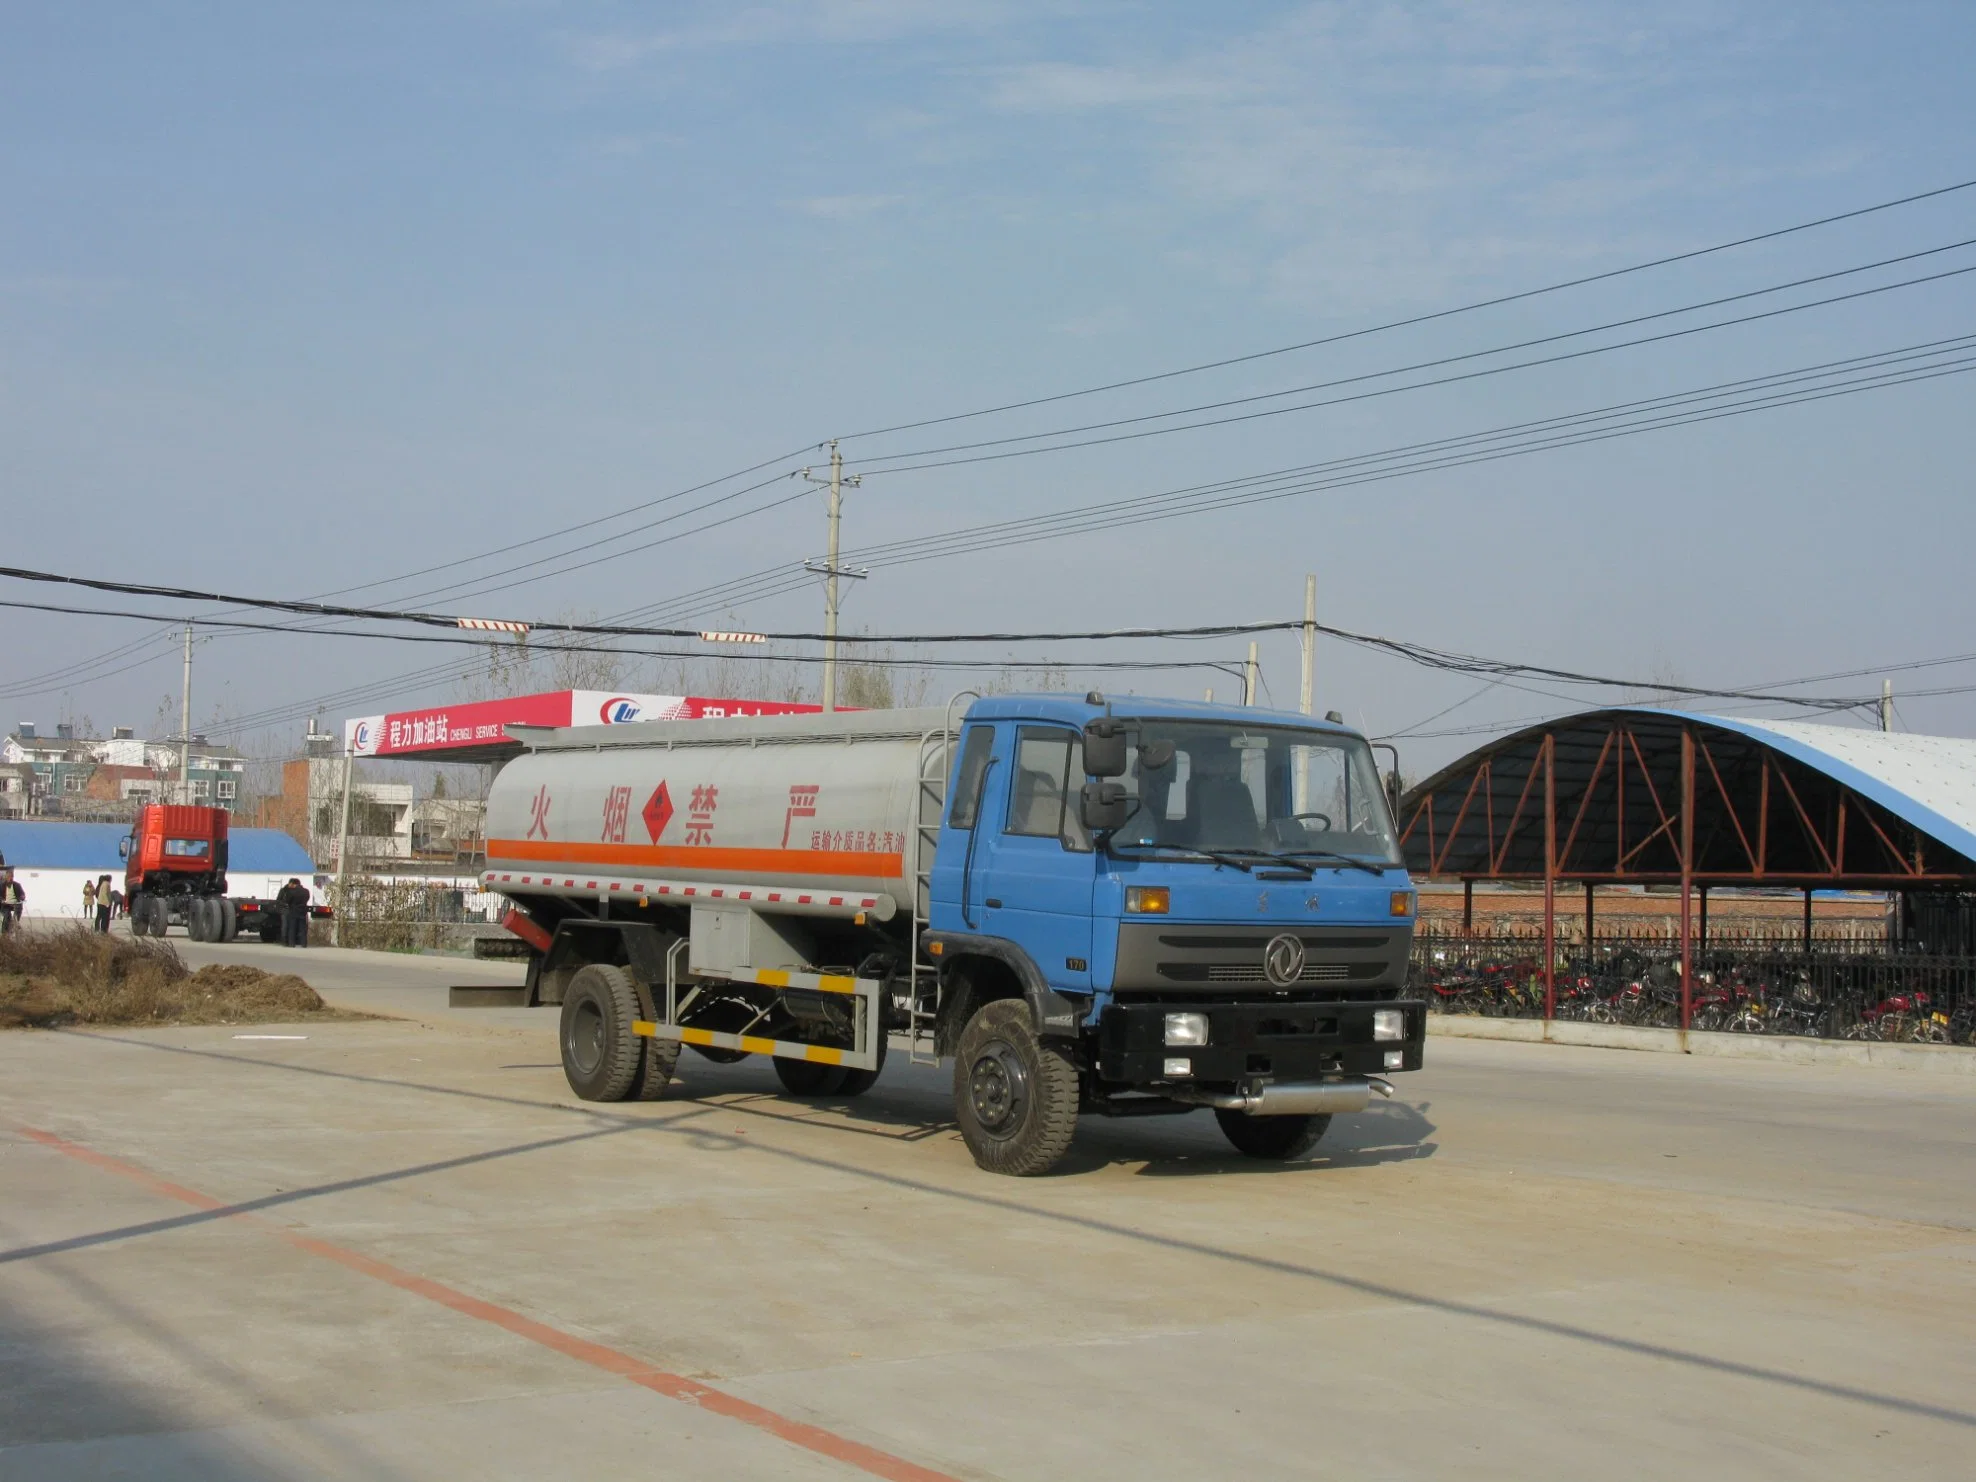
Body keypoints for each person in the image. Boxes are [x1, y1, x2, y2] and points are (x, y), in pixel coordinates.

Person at [277, 877, 311, 948]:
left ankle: (291, 943)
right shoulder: (306, 891)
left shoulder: (292, 891)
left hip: (294, 911)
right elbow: (307, 898)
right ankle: (304, 944)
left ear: (293, 884)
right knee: (302, 928)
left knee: (292, 928)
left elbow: (288, 900)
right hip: (303, 910)